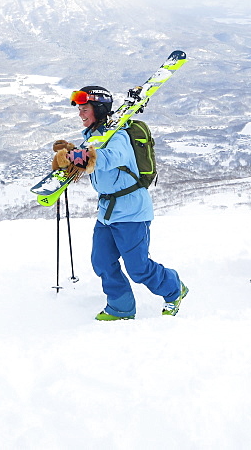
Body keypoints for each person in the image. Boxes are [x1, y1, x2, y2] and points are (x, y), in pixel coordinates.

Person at [53, 85, 187, 321]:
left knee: (138, 268)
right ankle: (120, 307)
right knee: (102, 261)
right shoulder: (94, 136)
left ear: (98, 108)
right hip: (107, 212)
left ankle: (174, 289)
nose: (81, 114)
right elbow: (92, 160)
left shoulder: (119, 135)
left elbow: (110, 157)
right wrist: (70, 158)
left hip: (131, 211)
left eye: (85, 109)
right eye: (80, 109)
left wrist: (80, 157)